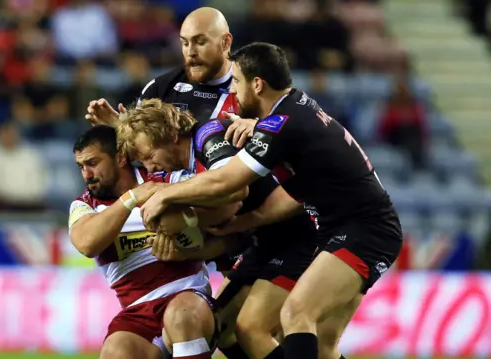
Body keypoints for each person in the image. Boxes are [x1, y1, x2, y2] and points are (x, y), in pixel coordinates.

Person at [140, 42, 404, 359]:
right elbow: (297, 185)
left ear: (257, 84)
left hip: (363, 231)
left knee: (295, 313)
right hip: (344, 229)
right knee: (321, 345)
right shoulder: (293, 109)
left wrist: (164, 194)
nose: (233, 93)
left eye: (236, 82)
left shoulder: (283, 125)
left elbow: (228, 181)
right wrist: (247, 220)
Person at [117, 99, 334, 359]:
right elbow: (228, 231)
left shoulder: (208, 135)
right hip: (263, 241)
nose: (150, 168)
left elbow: (233, 192)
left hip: (298, 234)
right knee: (223, 328)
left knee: (252, 328)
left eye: (150, 156)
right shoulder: (187, 172)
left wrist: (164, 196)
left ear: (172, 136)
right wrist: (185, 250)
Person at [69, 125, 240, 359]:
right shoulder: (85, 205)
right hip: (137, 312)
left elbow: (230, 207)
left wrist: (185, 226)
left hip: (188, 295)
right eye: (81, 167)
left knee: (182, 317)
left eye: (93, 163)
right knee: (115, 352)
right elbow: (87, 244)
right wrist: (132, 198)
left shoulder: (165, 178)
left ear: (119, 157)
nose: (86, 174)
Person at [85, 7, 256, 146]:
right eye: (185, 43)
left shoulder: (255, 88)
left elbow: (280, 131)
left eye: (200, 42)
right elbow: (143, 154)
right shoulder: (161, 88)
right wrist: (120, 130)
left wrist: (258, 128)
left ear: (226, 42)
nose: (191, 52)